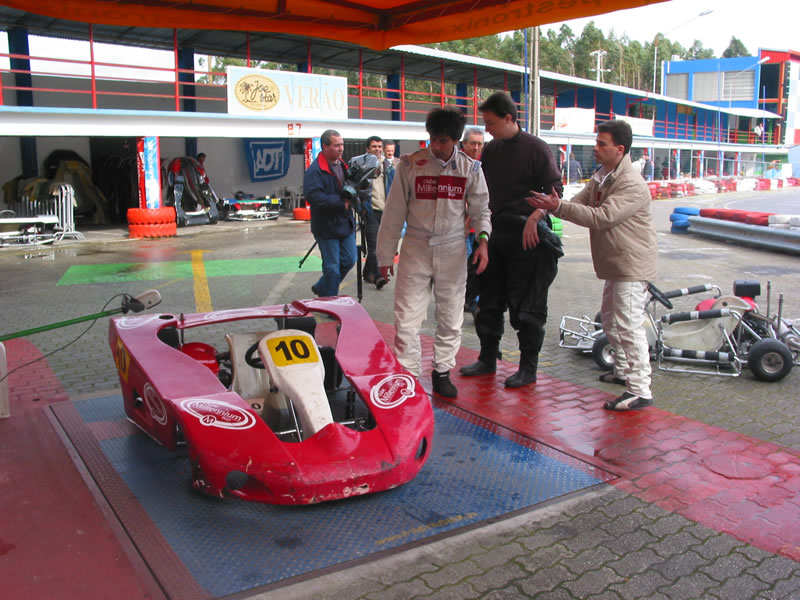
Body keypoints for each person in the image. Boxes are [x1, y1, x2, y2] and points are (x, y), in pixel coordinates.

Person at [527, 119, 658, 411]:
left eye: (602, 144)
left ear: (619, 149)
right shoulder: (603, 175)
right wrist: (548, 207)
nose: (595, 148)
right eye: (596, 142)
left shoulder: (631, 184)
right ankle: (623, 371)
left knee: (628, 325)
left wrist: (556, 207)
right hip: (617, 265)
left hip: (631, 267)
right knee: (611, 321)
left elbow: (601, 217)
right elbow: (578, 202)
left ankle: (640, 389)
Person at [377, 107, 492, 398]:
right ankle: (408, 375)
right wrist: (384, 256)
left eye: (443, 141)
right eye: (433, 139)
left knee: (451, 317)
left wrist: (483, 242)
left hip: (453, 250)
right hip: (415, 248)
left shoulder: (470, 169)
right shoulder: (410, 166)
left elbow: (480, 211)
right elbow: (393, 215)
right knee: (406, 318)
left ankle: (442, 371)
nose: (437, 146)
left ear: (456, 140)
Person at [460, 91, 563, 389]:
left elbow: (556, 192)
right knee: (489, 301)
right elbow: (484, 191)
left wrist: (535, 217)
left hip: (527, 237)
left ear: (508, 118)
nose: (487, 129)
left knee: (526, 306)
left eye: (491, 123)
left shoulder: (537, 149)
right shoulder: (491, 151)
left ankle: (527, 368)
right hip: (495, 234)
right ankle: (488, 359)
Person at [303, 129, 357, 297]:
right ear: (324, 147)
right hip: (326, 226)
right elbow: (314, 198)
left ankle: (322, 287)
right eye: (336, 145)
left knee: (349, 260)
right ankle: (331, 302)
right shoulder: (315, 171)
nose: (341, 149)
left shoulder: (342, 165)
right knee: (332, 268)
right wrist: (342, 203)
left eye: (342, 144)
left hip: (345, 224)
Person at [349, 136, 395, 290]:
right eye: (374, 146)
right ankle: (376, 276)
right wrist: (359, 208)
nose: (377, 149)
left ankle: (368, 272)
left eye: (379, 146)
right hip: (370, 211)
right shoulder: (361, 165)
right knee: (374, 246)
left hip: (387, 211)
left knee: (383, 246)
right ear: (367, 149)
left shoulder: (388, 165)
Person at [460, 127, 485, 314]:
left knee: (476, 265)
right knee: (463, 266)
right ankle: (463, 299)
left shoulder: (480, 166)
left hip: (477, 228)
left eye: (479, 144)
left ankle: (473, 300)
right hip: (459, 230)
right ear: (464, 144)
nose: (476, 148)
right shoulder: (457, 165)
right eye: (473, 144)